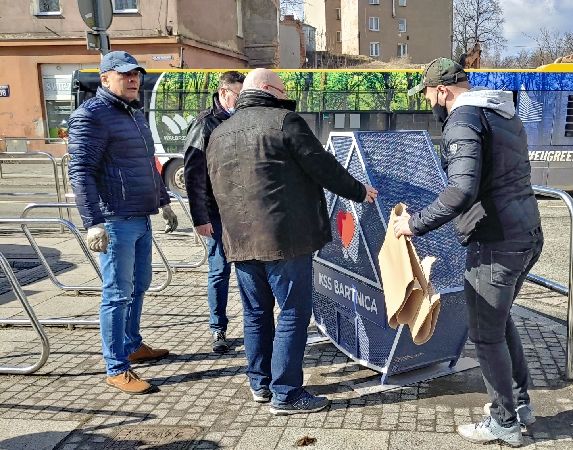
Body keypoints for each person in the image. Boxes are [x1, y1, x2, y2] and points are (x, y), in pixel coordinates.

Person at [205, 69, 378, 414]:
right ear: (268, 89)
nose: (286, 96)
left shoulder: (220, 131)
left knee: (255, 314)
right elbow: (322, 166)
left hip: (239, 240)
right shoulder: (285, 122)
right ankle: (286, 393)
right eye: (283, 90)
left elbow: (211, 186)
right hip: (284, 239)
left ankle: (260, 384)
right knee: (293, 313)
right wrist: (360, 191)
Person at [394, 58, 543, 447]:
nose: (428, 101)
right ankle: (520, 405)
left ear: (442, 90)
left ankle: (505, 422)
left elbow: (461, 190)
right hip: (525, 232)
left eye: (428, 93)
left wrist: (414, 223)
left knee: (485, 334)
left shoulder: (463, 119)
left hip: (496, 242)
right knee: (500, 323)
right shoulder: (502, 113)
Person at [68, 51, 178, 395]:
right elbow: (81, 172)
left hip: (140, 215)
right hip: (115, 219)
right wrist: (93, 222)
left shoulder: (134, 113)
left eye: (136, 74)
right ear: (105, 79)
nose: (133, 80)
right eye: (125, 75)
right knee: (117, 294)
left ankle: (132, 344)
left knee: (140, 284)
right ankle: (116, 367)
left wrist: (163, 201)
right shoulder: (91, 116)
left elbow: (148, 163)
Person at [183, 71, 245, 353]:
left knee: (248, 270)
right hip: (217, 213)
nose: (242, 101)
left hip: (243, 211)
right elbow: (193, 174)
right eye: (238, 96)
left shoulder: (242, 119)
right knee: (220, 270)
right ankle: (218, 328)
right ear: (223, 93)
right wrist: (200, 218)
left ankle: (255, 325)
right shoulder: (204, 123)